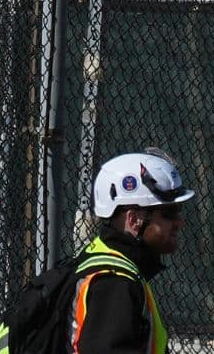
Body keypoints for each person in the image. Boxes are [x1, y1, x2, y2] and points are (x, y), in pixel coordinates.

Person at [69, 149, 194, 354]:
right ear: (134, 219)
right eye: (169, 213)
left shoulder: (110, 264)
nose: (179, 222)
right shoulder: (114, 283)